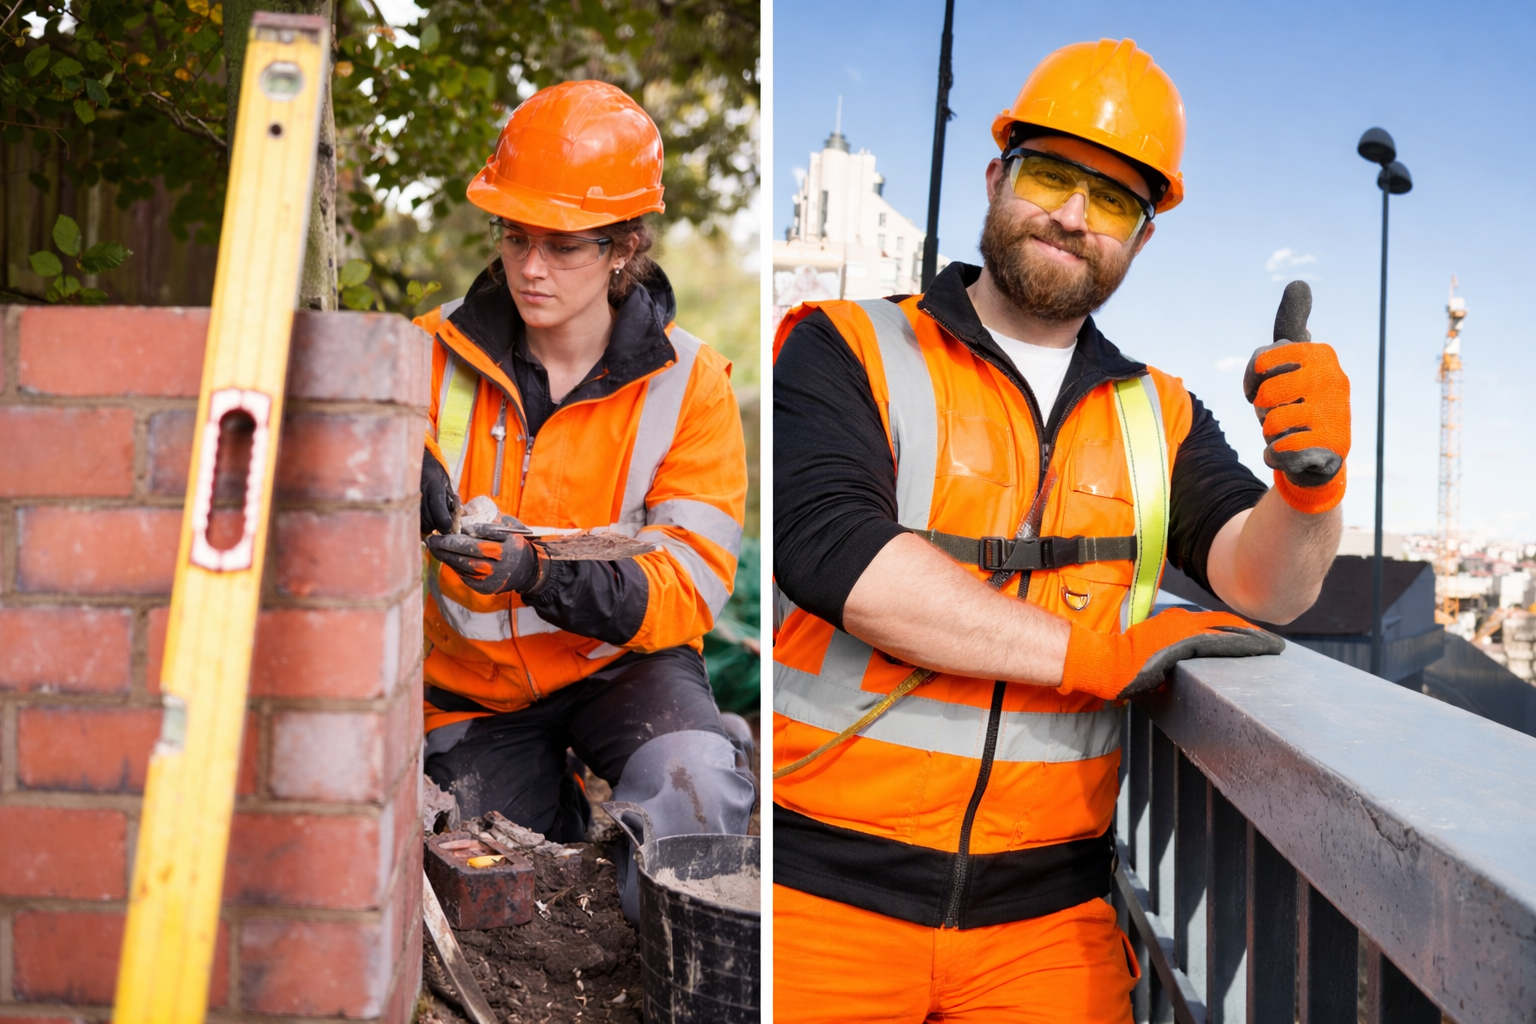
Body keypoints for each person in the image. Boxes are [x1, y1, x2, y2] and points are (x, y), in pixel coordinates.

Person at [772, 38, 1346, 1022]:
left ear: (1141, 237)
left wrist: (1311, 489)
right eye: (1049, 176)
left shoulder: (1157, 412)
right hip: (819, 898)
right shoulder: (846, 344)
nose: (1074, 216)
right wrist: (1096, 653)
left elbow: (1268, 587)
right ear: (998, 177)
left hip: (1049, 927)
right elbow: (837, 553)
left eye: (1113, 199)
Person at [414, 79, 755, 923]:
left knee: (696, 799)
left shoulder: (691, 384)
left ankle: (708, 756)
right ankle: (567, 806)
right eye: (515, 236)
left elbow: (693, 581)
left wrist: (537, 573)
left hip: (626, 669)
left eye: (564, 246)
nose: (531, 268)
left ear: (622, 248)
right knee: (484, 873)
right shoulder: (426, 351)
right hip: (472, 689)